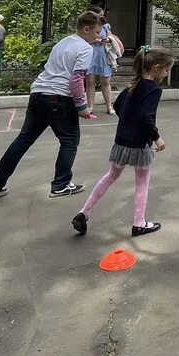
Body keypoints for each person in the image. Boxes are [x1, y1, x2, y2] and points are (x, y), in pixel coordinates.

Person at [0, 10, 101, 199]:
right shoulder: (85, 48)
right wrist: (82, 107)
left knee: (23, 140)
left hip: (38, 93)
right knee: (70, 141)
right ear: (86, 29)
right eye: (96, 32)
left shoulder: (63, 43)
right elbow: (77, 79)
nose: (98, 37)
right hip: (60, 98)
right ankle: (61, 185)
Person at [72, 47, 173, 237]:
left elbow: (118, 106)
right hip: (140, 144)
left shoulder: (132, 86)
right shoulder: (154, 90)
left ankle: (84, 212)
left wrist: (129, 123)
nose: (166, 74)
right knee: (142, 182)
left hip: (122, 140)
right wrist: (157, 138)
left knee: (111, 175)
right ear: (156, 68)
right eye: (166, 70)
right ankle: (139, 224)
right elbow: (146, 117)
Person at [85, 7, 116, 116]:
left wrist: (105, 40)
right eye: (100, 14)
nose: (102, 16)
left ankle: (109, 106)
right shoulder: (87, 27)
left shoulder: (105, 26)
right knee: (90, 82)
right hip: (91, 54)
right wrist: (93, 41)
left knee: (106, 82)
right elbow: (83, 39)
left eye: (103, 14)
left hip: (103, 54)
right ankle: (90, 106)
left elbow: (110, 37)